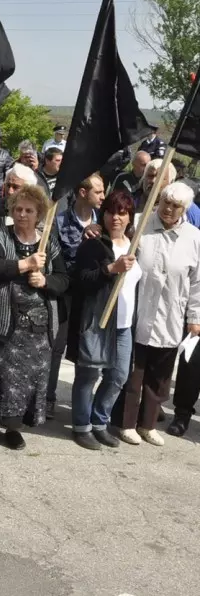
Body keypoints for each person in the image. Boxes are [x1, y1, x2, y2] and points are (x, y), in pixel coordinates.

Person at [0, 184, 70, 449]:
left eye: (29, 210)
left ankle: (12, 428)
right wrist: (25, 264)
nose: (22, 214)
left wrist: (44, 280)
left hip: (34, 330)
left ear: (39, 213)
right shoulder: (0, 235)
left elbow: (64, 278)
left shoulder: (48, 242)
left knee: (21, 383)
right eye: (18, 209)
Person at [118, 181, 200, 446]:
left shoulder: (194, 238)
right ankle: (127, 423)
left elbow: (198, 282)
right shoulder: (140, 224)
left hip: (172, 316)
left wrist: (195, 318)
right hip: (138, 311)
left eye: (175, 206)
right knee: (134, 373)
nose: (168, 209)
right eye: (165, 202)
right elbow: (117, 239)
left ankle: (148, 424)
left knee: (160, 376)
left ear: (184, 209)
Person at [69, 191, 140, 450]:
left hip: (123, 326)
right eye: (111, 212)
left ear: (130, 217)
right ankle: (82, 426)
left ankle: (100, 421)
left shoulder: (135, 245)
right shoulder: (94, 244)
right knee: (88, 375)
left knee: (119, 376)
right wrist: (111, 269)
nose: (116, 218)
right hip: (98, 321)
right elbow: (82, 280)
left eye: (122, 213)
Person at [48, 175, 105, 419]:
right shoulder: (60, 221)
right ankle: (47, 398)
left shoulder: (103, 221)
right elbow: (56, 260)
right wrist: (82, 243)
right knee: (55, 347)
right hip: (66, 294)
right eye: (99, 191)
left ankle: (81, 406)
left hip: (92, 296)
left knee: (87, 350)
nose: (103, 197)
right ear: (83, 193)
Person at [0, 163, 38, 235]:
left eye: (15, 187)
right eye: (8, 185)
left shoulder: (36, 213)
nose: (10, 191)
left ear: (29, 190)